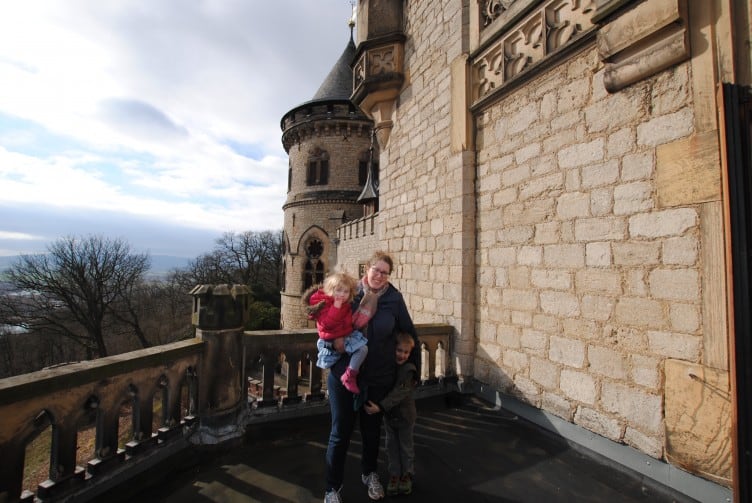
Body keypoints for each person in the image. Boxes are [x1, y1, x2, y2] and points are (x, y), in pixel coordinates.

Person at [323, 251, 420, 503]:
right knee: (340, 432)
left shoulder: (394, 299)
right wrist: (334, 347)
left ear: (389, 275)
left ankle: (370, 474)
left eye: (385, 272)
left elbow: (409, 332)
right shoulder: (349, 291)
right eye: (376, 270)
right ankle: (332, 488)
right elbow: (326, 323)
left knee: (372, 431)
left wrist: (413, 371)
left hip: (378, 376)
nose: (379, 275)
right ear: (366, 268)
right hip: (344, 374)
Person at [363, 331, 418, 496]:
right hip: (390, 417)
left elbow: (398, 394)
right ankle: (395, 474)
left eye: (406, 352)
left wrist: (380, 407)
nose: (402, 355)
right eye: (399, 350)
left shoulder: (408, 370)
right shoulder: (390, 366)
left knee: (405, 447)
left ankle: (407, 475)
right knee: (391, 447)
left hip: (405, 416)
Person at [305, 271, 368, 394]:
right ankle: (347, 378)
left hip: (344, 336)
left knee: (362, 349)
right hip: (331, 339)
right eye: (338, 290)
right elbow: (327, 324)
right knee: (361, 350)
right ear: (330, 290)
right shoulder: (324, 304)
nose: (342, 295)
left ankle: (347, 376)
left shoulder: (346, 304)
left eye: (346, 292)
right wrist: (336, 307)